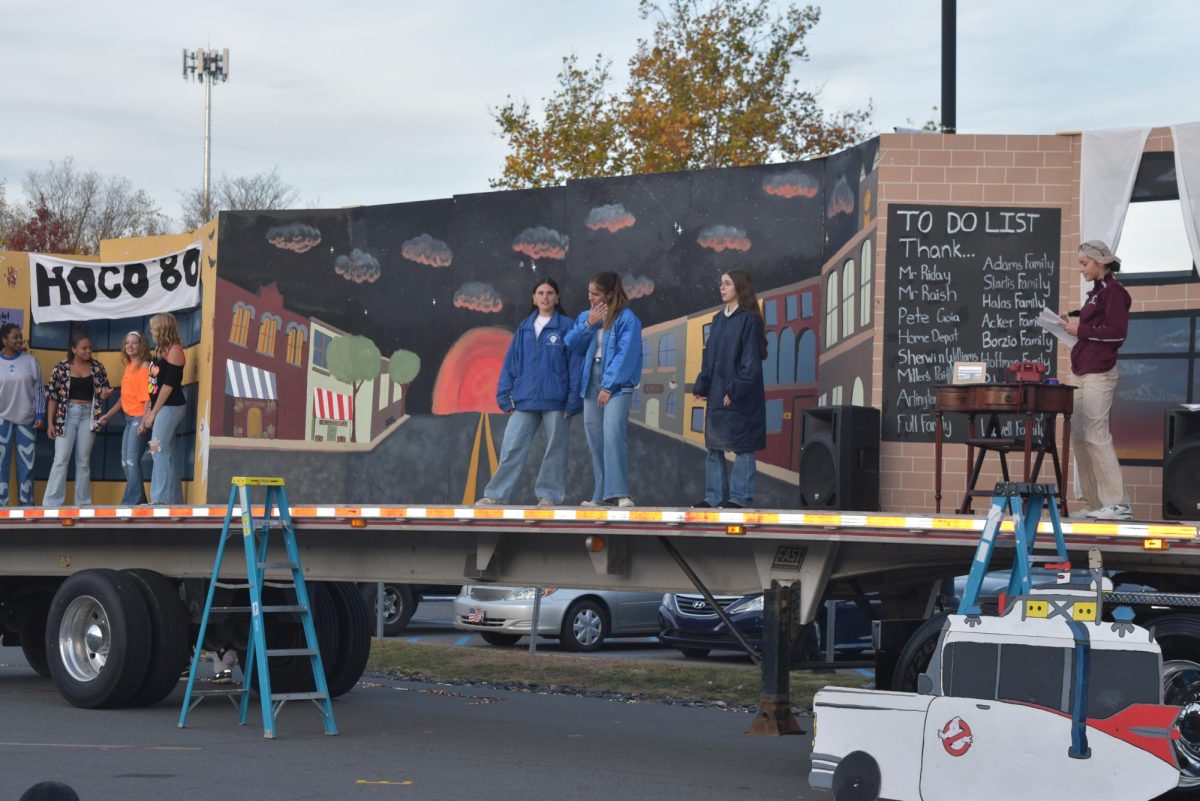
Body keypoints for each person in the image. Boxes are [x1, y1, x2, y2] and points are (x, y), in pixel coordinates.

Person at [477, 278, 582, 506]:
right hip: (525, 400)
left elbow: (575, 365)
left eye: (550, 293)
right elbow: (510, 365)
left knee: (555, 450)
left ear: (557, 298)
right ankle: (495, 495)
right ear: (533, 299)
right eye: (541, 293)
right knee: (511, 447)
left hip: (557, 400)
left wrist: (573, 400)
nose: (545, 297)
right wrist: (504, 396)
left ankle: (548, 496)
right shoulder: (524, 328)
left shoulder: (566, 326)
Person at [1062, 240, 1132, 520]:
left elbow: (1117, 333)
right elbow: (1095, 325)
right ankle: (1095, 503)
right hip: (1081, 370)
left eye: (1084, 263)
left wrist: (1080, 329)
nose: (1081, 269)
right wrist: (1071, 321)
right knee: (1079, 437)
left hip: (1099, 373)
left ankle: (1117, 503)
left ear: (1100, 262)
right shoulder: (1097, 293)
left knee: (1096, 435)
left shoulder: (1115, 292)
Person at [565, 271, 643, 507]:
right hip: (591, 380)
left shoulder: (627, 319)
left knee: (612, 435)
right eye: (589, 293)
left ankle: (619, 493)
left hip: (616, 385)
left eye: (596, 294)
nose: (591, 298)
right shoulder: (586, 316)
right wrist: (588, 324)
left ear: (610, 295)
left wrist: (609, 385)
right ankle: (601, 494)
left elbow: (626, 354)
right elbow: (572, 345)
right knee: (595, 437)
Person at [692, 271, 767, 508]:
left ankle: (740, 499)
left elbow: (751, 363)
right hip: (717, 392)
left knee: (743, 447)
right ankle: (714, 498)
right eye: (721, 283)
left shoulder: (749, 320)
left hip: (740, 395)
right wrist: (703, 382)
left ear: (739, 288)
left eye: (727, 284)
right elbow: (710, 356)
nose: (722, 288)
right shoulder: (717, 320)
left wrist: (734, 390)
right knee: (714, 447)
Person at [43, 333, 111, 507]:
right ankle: (51, 504)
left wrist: (104, 395)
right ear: (73, 349)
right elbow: (52, 397)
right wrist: (50, 423)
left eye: (90, 347)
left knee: (83, 461)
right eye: (84, 348)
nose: (89, 351)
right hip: (67, 415)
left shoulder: (97, 367)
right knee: (61, 459)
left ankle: (83, 504)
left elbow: (102, 393)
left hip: (88, 416)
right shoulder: (60, 368)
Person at [97, 331, 151, 505]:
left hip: (139, 417)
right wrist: (108, 415)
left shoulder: (144, 366)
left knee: (131, 460)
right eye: (127, 343)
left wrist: (144, 421)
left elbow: (147, 397)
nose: (130, 346)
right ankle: (140, 499)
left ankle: (131, 501)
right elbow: (123, 398)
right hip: (129, 418)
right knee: (125, 461)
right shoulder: (129, 367)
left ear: (141, 345)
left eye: (134, 343)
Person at [141, 313, 187, 505]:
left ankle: (161, 499)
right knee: (165, 451)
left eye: (154, 328)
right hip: (161, 407)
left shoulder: (175, 351)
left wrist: (153, 412)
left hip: (170, 407)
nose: (151, 331)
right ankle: (173, 499)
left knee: (157, 449)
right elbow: (154, 385)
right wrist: (148, 410)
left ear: (163, 329)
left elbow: (168, 386)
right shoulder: (161, 350)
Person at [0, 323, 46, 506]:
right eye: (15, 337)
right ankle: (2, 507)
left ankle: (26, 507)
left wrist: (40, 414)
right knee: (1, 465)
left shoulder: (30, 362)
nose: (19, 340)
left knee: (26, 465)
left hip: (26, 419)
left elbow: (39, 390)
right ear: (4, 340)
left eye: (20, 337)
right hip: (2, 419)